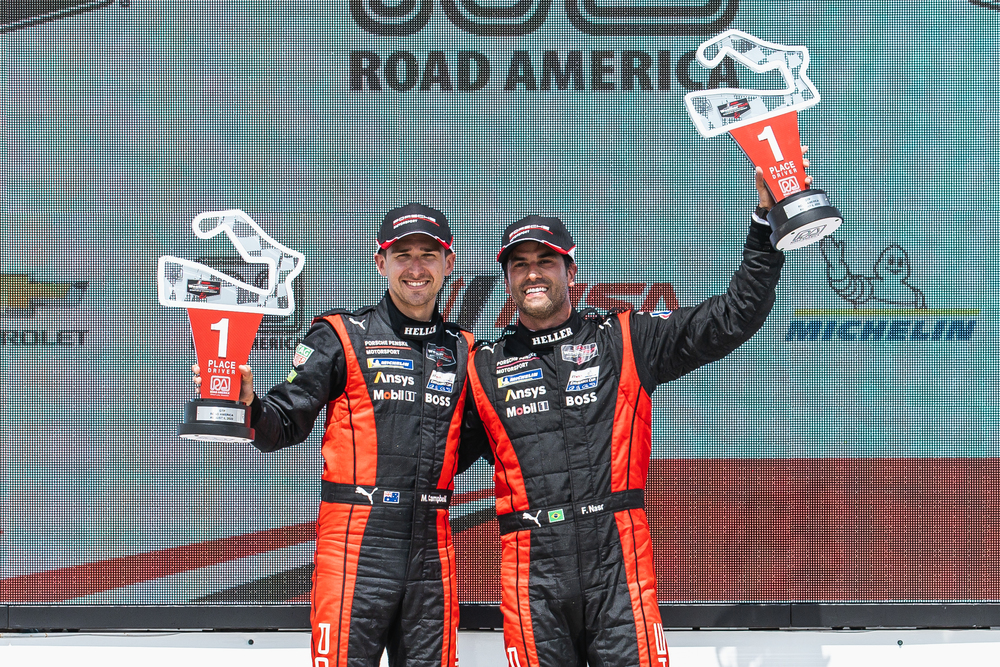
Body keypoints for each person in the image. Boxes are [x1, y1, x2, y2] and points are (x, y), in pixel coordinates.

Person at [465, 167, 797, 667]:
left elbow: (732, 317)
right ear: (508, 279)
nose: (533, 273)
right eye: (520, 264)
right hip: (532, 572)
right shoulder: (484, 367)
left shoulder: (624, 339)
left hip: (617, 564)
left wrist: (765, 222)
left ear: (570, 272)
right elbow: (424, 452)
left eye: (545, 261)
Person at [195, 203, 487, 667]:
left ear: (448, 263)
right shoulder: (340, 334)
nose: (415, 268)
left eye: (428, 255)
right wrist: (248, 404)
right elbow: (283, 423)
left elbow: (486, 439)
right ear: (381, 263)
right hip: (354, 543)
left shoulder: (466, 350)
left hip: (432, 551)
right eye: (402, 255)